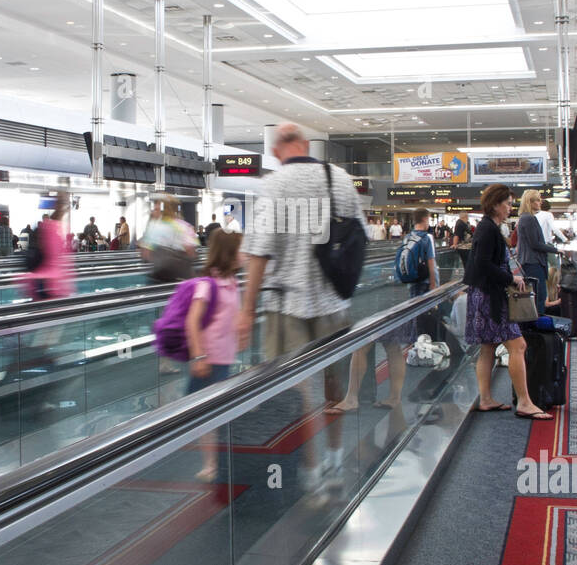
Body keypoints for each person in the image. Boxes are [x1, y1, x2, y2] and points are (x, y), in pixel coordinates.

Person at [238, 124, 365, 491]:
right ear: (305, 145)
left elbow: (259, 252)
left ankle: (310, 471)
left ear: (280, 149)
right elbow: (359, 236)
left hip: (285, 304)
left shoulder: (274, 185)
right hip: (333, 302)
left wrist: (247, 311)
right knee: (333, 384)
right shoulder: (338, 178)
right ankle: (336, 456)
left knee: (297, 391)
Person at [331, 207, 439, 416]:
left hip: (379, 298)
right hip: (400, 296)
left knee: (362, 346)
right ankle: (393, 397)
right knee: (392, 347)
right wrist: (434, 288)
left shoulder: (407, 238)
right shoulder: (426, 238)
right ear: (425, 219)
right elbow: (431, 264)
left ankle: (352, 398)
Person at [464, 183, 550, 420]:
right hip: (491, 297)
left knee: (488, 346)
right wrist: (510, 277)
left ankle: (486, 398)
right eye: (507, 204)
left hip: (483, 294)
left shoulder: (487, 227)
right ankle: (524, 402)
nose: (510, 208)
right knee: (518, 346)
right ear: (495, 204)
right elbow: (483, 264)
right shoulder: (488, 229)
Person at [186, 231, 244, 481]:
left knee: (216, 413)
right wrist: (198, 357)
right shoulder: (207, 283)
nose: (246, 254)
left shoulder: (232, 282)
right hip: (208, 361)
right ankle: (210, 463)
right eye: (242, 249)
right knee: (205, 414)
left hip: (224, 358)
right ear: (229, 253)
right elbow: (192, 321)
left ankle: (217, 462)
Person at [21, 197, 75, 300]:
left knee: (42, 308)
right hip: (47, 282)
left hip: (44, 280)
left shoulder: (48, 229)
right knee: (46, 308)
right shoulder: (50, 230)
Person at [515, 189, 559, 315]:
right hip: (533, 262)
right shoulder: (529, 219)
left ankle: (536, 323)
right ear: (530, 202)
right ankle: (538, 324)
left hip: (529, 261)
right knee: (539, 296)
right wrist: (555, 250)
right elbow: (535, 244)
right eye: (538, 200)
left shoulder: (525, 218)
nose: (541, 202)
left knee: (536, 295)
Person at [141, 197, 197, 281]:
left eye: (156, 209)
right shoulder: (185, 226)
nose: (153, 211)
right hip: (182, 276)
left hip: (160, 276)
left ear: (163, 210)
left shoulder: (154, 227)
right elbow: (191, 253)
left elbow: (146, 254)